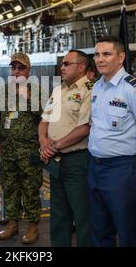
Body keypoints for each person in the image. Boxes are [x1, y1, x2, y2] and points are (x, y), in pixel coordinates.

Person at [88, 36, 136, 247]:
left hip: (122, 168)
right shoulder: (98, 86)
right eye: (97, 54)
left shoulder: (134, 89)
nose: (100, 59)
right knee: (99, 229)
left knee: (127, 230)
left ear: (121, 58)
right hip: (95, 166)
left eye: (106, 54)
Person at [39, 50, 92, 246]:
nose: (62, 67)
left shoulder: (90, 90)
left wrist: (54, 147)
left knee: (83, 214)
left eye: (67, 64)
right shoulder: (58, 90)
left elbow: (84, 128)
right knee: (59, 214)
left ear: (81, 67)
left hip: (77, 160)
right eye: (62, 64)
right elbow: (45, 120)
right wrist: (43, 140)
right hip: (56, 160)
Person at [0, 53, 43, 244]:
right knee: (10, 187)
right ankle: (12, 223)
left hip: (29, 150)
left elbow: (45, 115)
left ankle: (32, 226)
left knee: (30, 189)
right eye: (13, 68)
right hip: (8, 150)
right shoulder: (4, 91)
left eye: (20, 68)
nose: (16, 72)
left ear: (28, 70)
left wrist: (27, 96)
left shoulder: (38, 91)